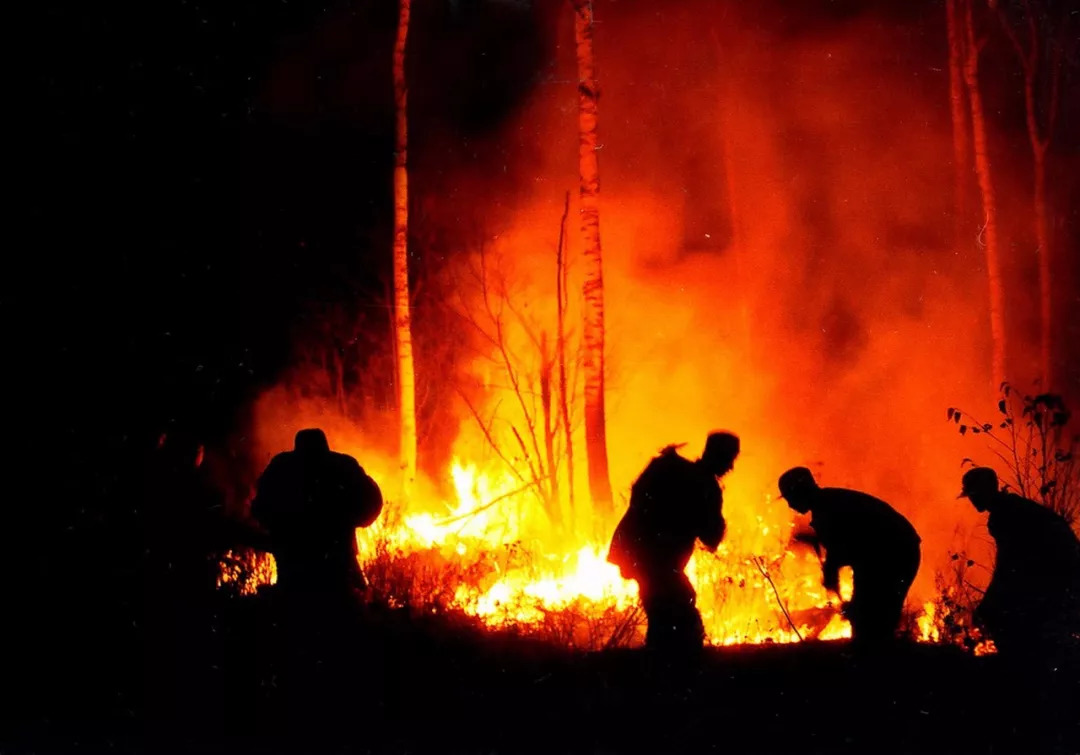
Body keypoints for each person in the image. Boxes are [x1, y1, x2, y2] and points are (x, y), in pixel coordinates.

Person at [607, 431, 739, 653]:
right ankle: (671, 670)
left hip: (637, 554)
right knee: (678, 609)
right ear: (718, 456)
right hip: (657, 561)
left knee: (666, 609)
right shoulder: (704, 486)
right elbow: (711, 537)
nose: (731, 466)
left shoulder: (670, 468)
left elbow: (638, 495)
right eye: (729, 458)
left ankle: (662, 665)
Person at [778, 467, 920, 646]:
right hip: (897, 551)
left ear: (800, 492)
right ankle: (881, 654)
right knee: (876, 616)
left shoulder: (826, 511)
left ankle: (876, 658)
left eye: (789, 498)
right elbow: (851, 544)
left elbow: (846, 551)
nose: (790, 505)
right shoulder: (831, 501)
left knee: (870, 619)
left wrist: (831, 576)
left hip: (892, 555)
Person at [958, 467, 1080, 659]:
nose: (972, 500)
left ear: (986, 491)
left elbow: (1009, 565)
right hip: (1060, 569)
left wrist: (990, 601)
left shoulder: (1004, 515)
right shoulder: (1013, 507)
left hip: (1058, 572)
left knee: (1007, 617)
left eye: (974, 494)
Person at [251, 428, 383, 598]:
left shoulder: (282, 466)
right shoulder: (343, 465)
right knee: (343, 598)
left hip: (293, 554)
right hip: (336, 552)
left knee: (296, 598)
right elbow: (371, 500)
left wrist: (276, 528)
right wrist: (351, 519)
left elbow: (261, 506)